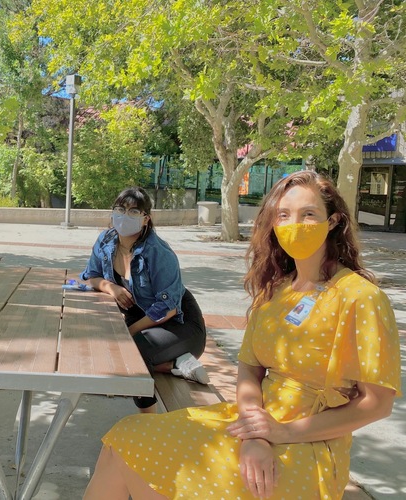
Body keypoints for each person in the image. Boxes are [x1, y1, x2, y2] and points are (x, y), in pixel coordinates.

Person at [83, 171, 401, 499]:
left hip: (307, 444)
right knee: (123, 439)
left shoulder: (361, 297)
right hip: (251, 424)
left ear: (333, 221)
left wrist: (279, 433)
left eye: (308, 214)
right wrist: (256, 432)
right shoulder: (275, 291)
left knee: (159, 477)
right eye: (283, 215)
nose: (295, 224)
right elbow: (249, 369)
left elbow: (376, 405)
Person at [80, 186, 208, 414]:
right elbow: (91, 275)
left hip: (180, 324)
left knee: (133, 351)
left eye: (133, 212)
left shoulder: (158, 253)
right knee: (101, 342)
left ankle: (150, 420)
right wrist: (111, 287)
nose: (124, 216)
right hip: (146, 321)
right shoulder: (106, 241)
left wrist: (130, 332)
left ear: (146, 219)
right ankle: (175, 364)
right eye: (120, 209)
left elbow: (166, 309)